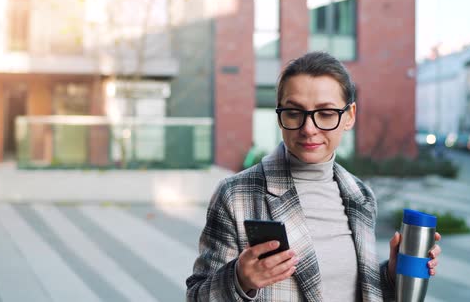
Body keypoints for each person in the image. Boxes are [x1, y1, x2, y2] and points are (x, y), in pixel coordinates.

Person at [186, 52, 441, 301]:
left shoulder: (361, 195)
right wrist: (240, 279)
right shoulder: (236, 194)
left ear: (349, 116)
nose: (309, 129)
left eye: (326, 113)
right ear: (280, 115)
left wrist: (389, 275)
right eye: (294, 113)